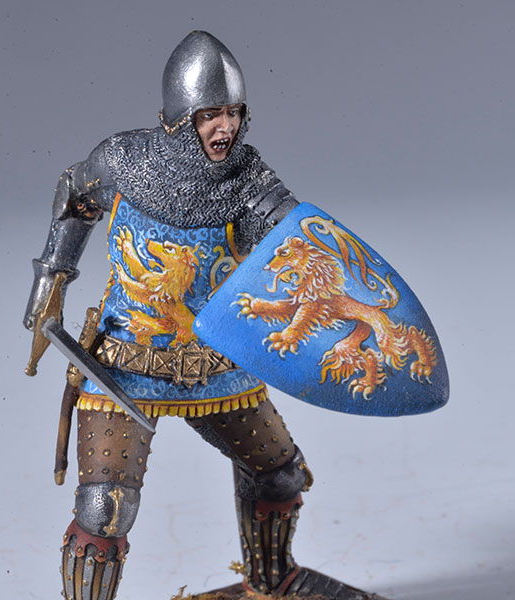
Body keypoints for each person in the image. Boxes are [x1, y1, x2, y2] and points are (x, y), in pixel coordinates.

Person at [24, 31, 386, 600]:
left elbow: (294, 243)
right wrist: (51, 279)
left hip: (215, 363)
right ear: (177, 120)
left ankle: (272, 580)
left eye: (234, 113)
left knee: (281, 476)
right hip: (124, 363)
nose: (226, 128)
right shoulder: (123, 161)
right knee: (104, 508)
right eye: (210, 115)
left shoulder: (249, 180)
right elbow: (75, 196)